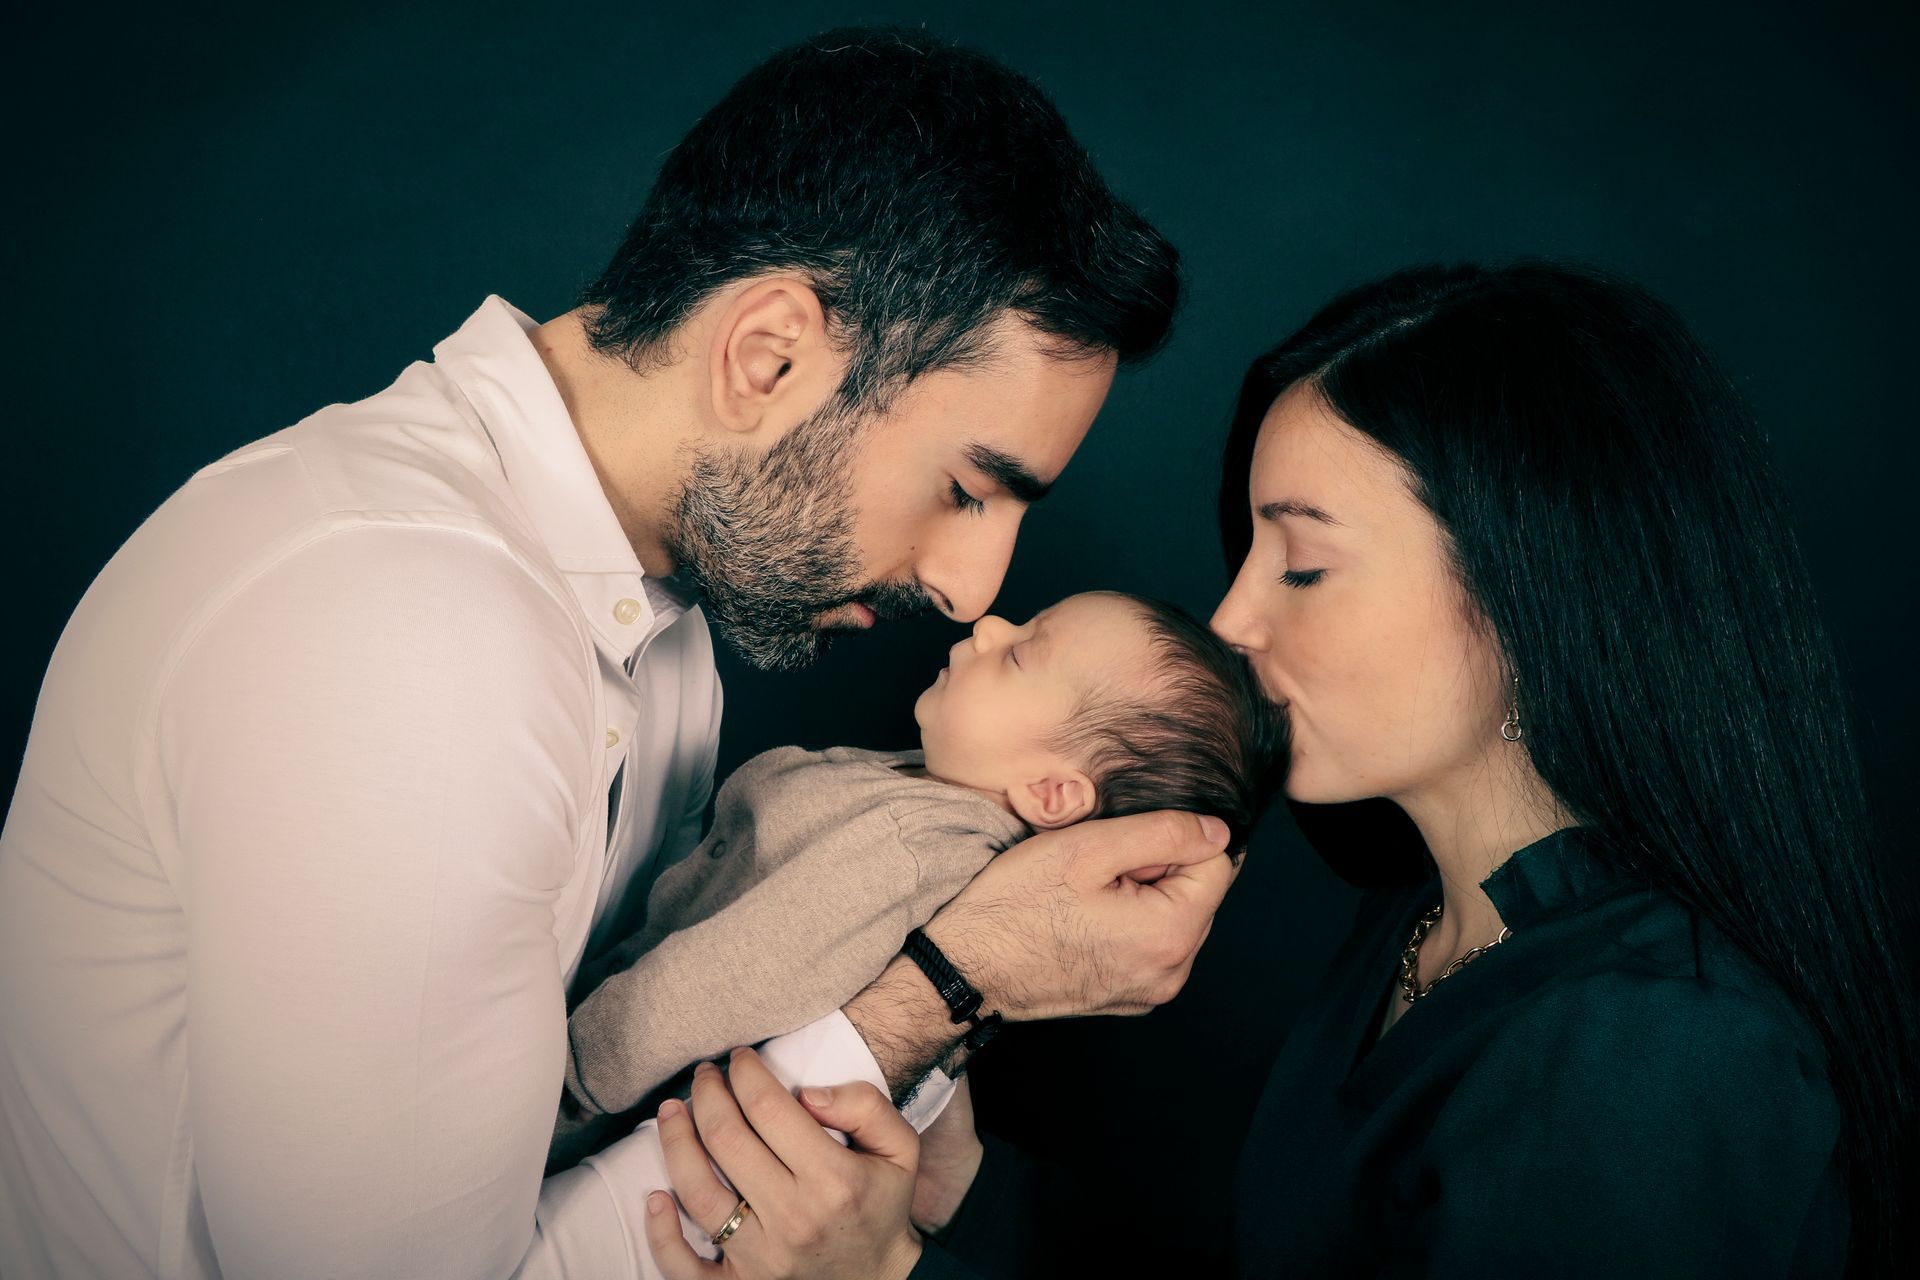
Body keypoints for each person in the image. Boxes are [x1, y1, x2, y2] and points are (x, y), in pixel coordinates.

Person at [0, 28, 1247, 1280]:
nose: (973, 586)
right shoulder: (410, 638)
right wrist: (938, 993)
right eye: (968, 488)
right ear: (768, 357)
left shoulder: (658, 618)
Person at [643, 261, 1916, 1278]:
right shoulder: (1415, 926)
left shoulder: (1656, 1049)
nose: (1235, 622)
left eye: (1301, 564)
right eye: (1247, 552)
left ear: (1533, 592)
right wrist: (963, 1198)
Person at [546, 591, 1283, 1268]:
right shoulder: (938, 784)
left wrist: (574, 1077)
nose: (989, 626)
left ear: (1052, 793)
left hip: (607, 1099)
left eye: (1022, 651)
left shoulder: (913, 856)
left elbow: (730, 979)